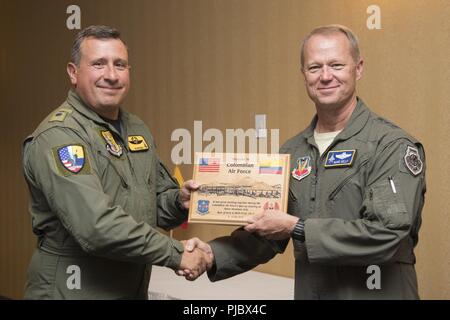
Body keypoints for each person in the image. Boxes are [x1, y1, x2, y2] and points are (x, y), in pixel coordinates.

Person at [182, 25, 426, 299]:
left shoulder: (390, 145)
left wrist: (295, 227)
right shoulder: (293, 151)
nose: (325, 76)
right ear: (303, 75)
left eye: (336, 65)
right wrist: (211, 254)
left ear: (358, 69)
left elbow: (386, 234)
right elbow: (267, 233)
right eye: (314, 68)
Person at [22, 25, 210, 299]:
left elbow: (152, 206)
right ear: (74, 73)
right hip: (72, 291)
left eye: (119, 65)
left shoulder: (136, 128)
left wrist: (179, 202)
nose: (111, 75)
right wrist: (177, 254)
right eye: (99, 64)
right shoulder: (60, 135)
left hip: (129, 288)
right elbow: (95, 226)